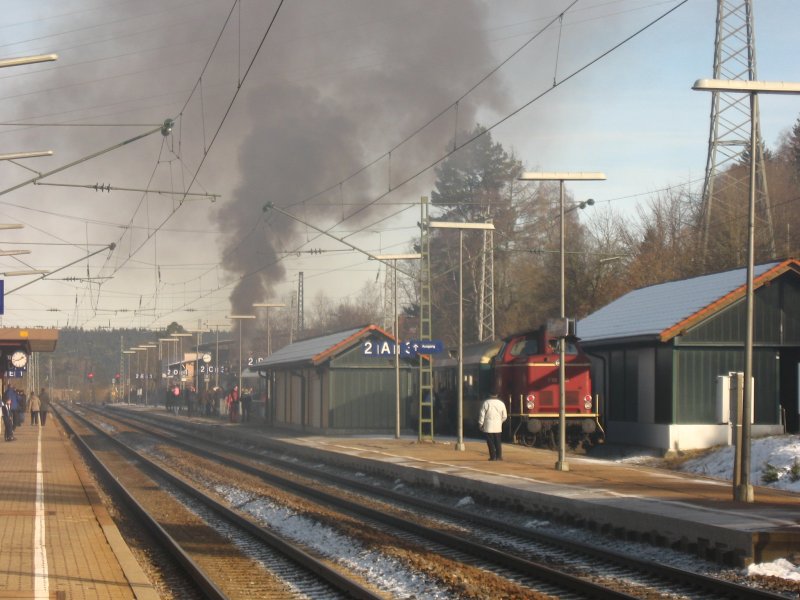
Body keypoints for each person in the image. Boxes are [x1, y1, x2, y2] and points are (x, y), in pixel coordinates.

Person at [478, 391, 507, 461]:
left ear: (489, 395)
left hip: (488, 425)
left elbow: (482, 414)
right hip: (498, 426)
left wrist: (481, 423)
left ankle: (493, 457)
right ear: (497, 395)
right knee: (498, 441)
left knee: (490, 442)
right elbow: (505, 416)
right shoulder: (501, 403)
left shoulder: (486, 403)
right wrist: (500, 422)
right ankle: (499, 456)